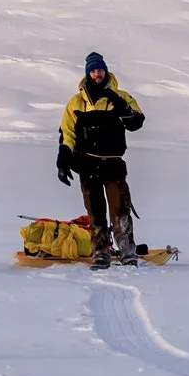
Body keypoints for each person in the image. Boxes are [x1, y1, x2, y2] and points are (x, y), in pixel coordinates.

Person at [57, 52, 147, 268]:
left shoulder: (121, 96)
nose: (97, 73)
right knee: (95, 212)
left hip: (113, 164)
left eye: (100, 69)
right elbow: (67, 133)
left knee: (121, 210)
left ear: (106, 71)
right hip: (88, 165)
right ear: (88, 73)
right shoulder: (76, 102)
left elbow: (136, 122)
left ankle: (128, 254)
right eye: (93, 70)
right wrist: (63, 159)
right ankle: (101, 255)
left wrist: (119, 105)